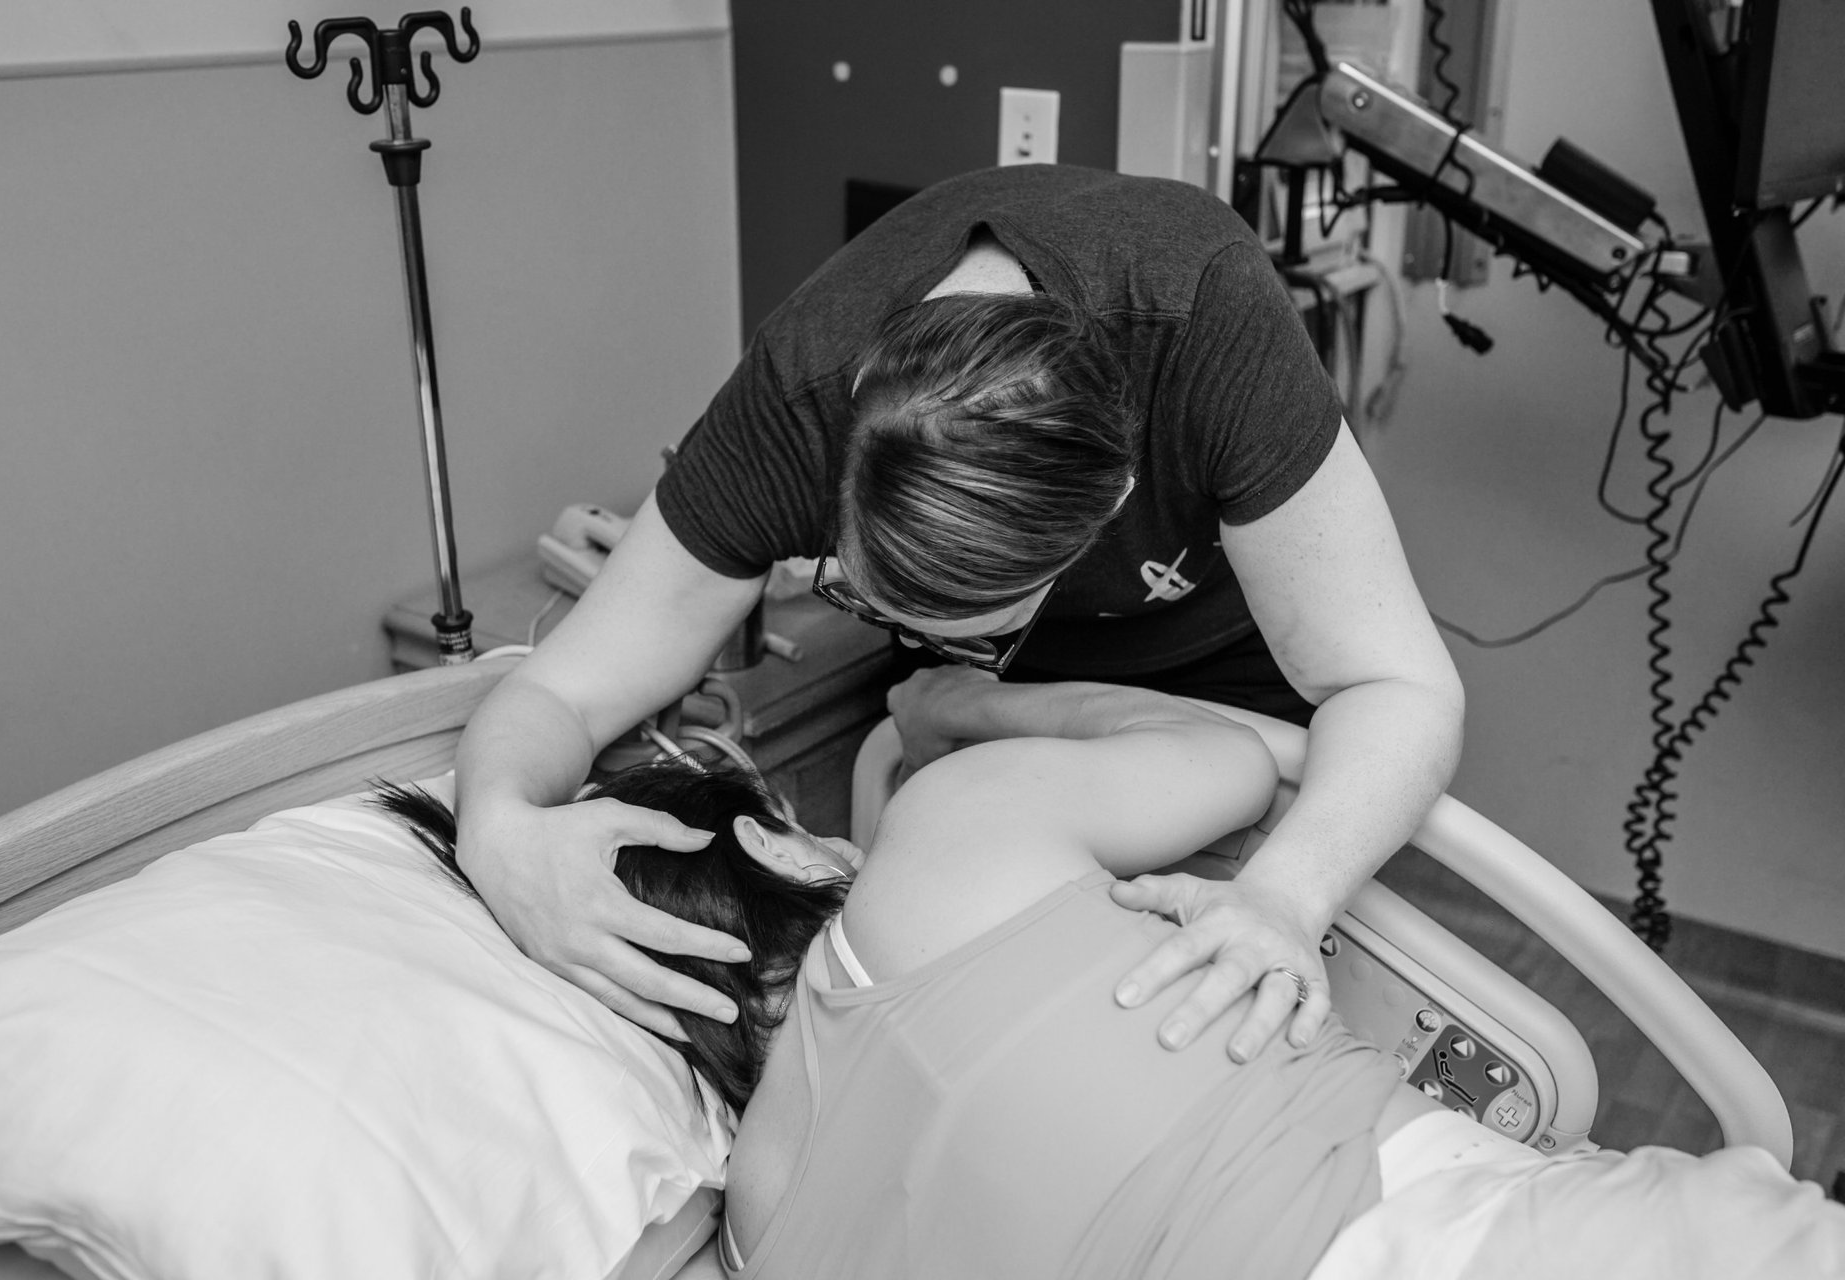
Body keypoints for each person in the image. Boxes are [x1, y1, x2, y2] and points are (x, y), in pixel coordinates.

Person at [453, 162, 1465, 1064]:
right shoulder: (796, 400)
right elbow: (562, 686)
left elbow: (1394, 686)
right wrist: (496, 827)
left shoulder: (1201, 317)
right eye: (869, 595)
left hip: (1242, 677)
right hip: (1007, 713)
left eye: (972, 616)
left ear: (1110, 505)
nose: (924, 632)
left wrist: (1286, 894)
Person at [381, 672, 1842, 1280]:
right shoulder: (952, 835)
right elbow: (1253, 750)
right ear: (773, 835)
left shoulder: (764, 1229)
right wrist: (968, 709)